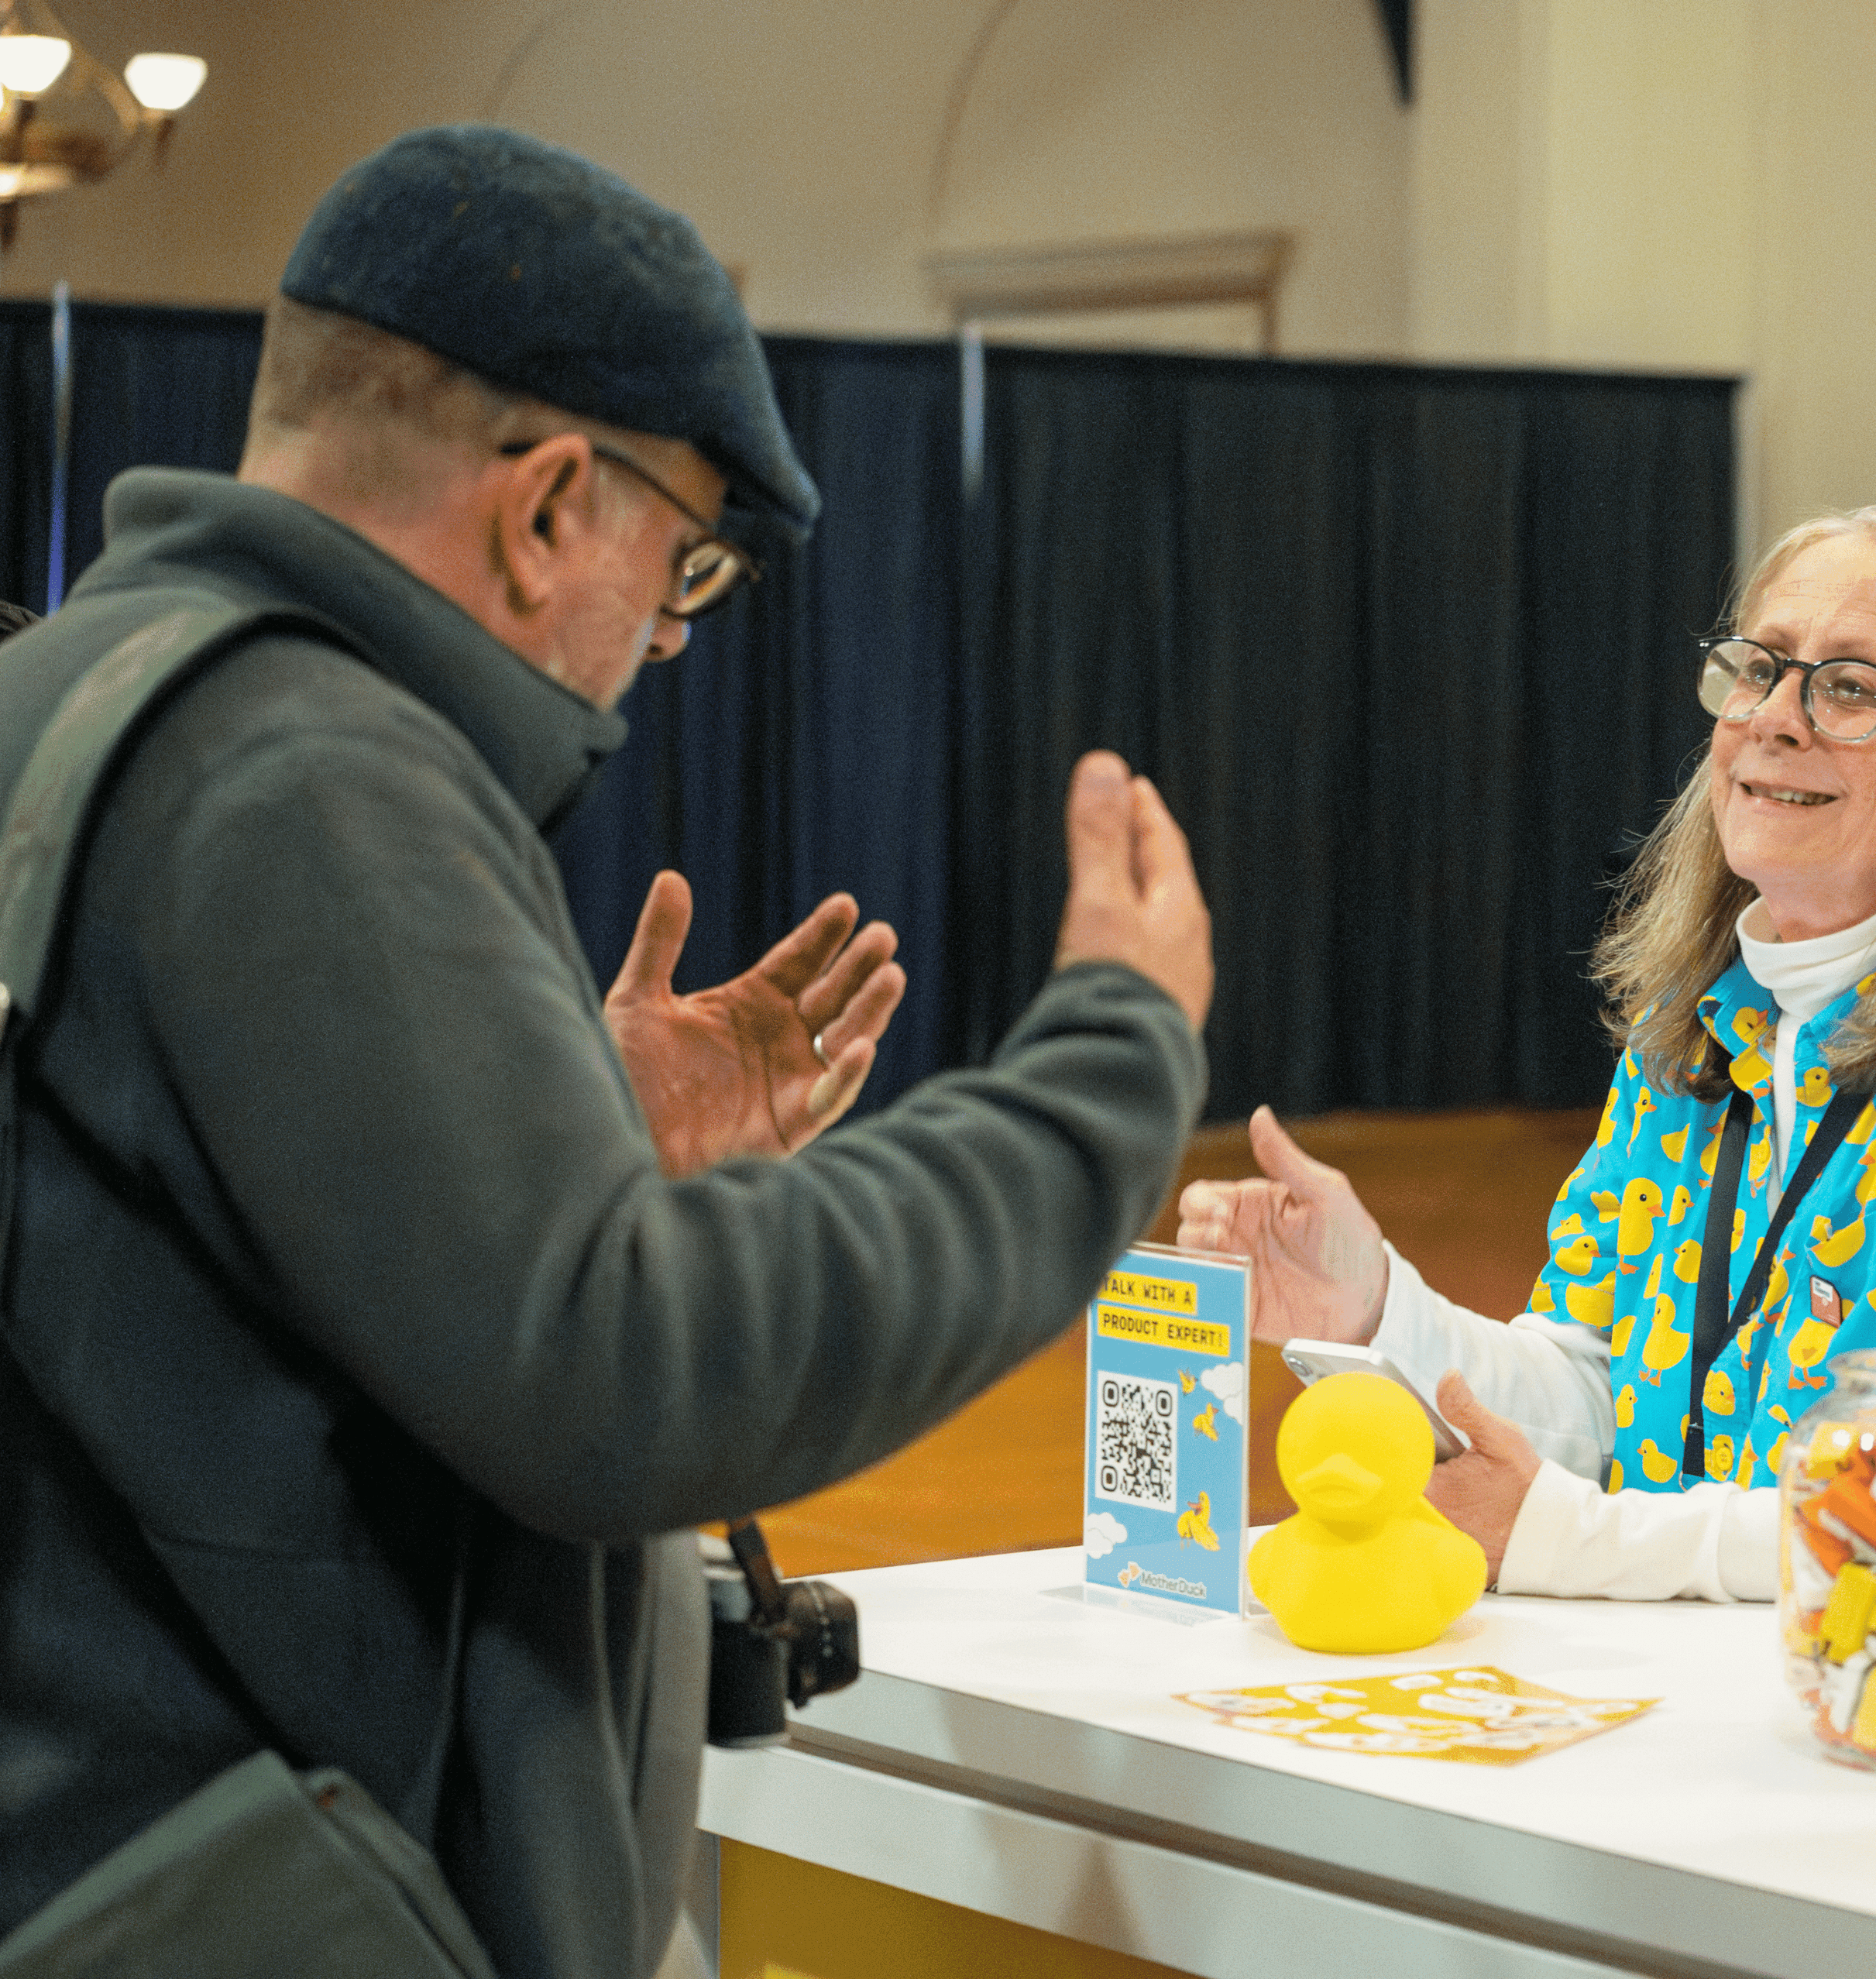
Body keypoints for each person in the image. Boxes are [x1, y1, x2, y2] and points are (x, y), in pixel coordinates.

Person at [0, 129, 1212, 1979]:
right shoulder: (311, 770)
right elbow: (620, 1371)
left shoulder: (81, 696)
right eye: (685, 562)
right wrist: (1102, 1076)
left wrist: (559, 1128)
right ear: (550, 501)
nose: (664, 637)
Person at [1181, 507, 1876, 1601]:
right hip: (1687, 1717)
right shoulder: (1696, 1029)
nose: (1776, 718)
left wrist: (1577, 1539)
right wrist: (1372, 1306)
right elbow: (1590, 1392)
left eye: (1853, 687)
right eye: (1760, 667)